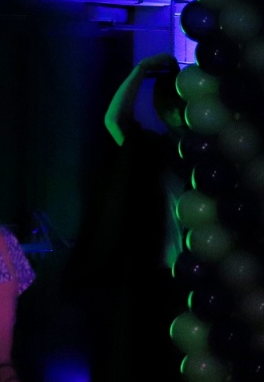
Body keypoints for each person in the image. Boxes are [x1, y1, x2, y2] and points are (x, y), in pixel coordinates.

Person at [64, 52, 184, 382]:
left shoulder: (209, 154)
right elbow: (115, 120)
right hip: (160, 274)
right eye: (171, 108)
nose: (177, 114)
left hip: (197, 274)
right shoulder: (151, 150)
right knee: (155, 357)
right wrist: (141, 70)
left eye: (180, 106)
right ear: (163, 111)